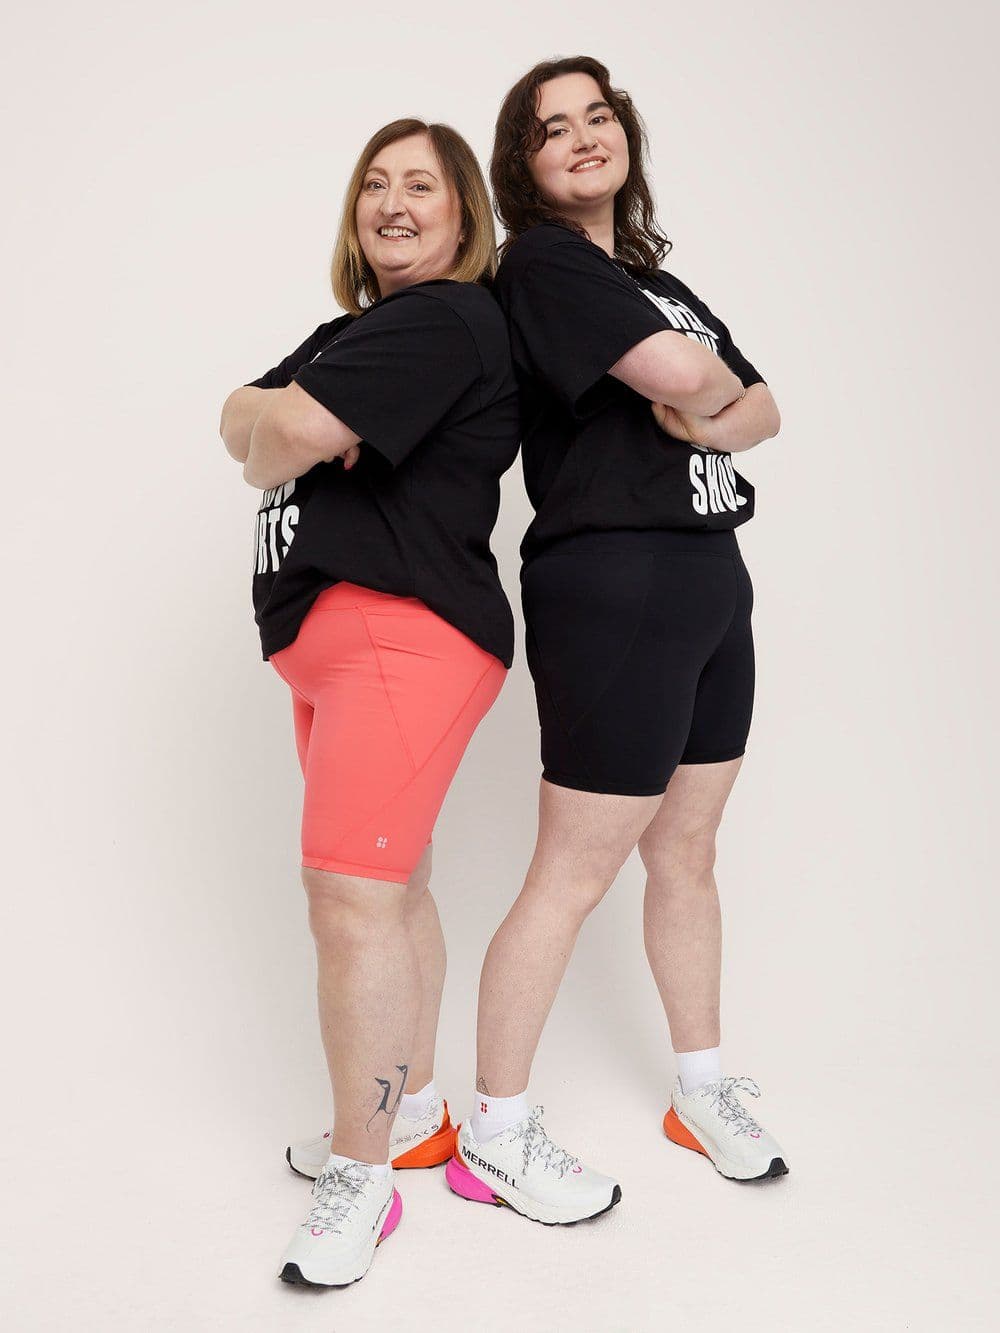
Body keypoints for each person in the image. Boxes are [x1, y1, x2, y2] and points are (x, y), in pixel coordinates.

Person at [445, 57, 786, 1226]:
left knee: (686, 852)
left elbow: (762, 407)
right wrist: (702, 395)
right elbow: (695, 380)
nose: (583, 137)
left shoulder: (648, 275)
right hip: (613, 579)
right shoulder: (541, 264)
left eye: (598, 116)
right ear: (524, 165)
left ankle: (700, 1089)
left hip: (708, 574)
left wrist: (701, 398)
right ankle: (493, 1129)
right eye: (553, 128)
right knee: (573, 867)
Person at [219, 118, 519, 1285]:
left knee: (349, 901)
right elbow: (241, 415)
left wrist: (281, 421)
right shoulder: (362, 330)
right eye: (375, 185)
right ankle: (418, 1115)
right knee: (390, 895)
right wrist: (275, 421)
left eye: (423, 188)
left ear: (461, 215)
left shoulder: (441, 318)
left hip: (404, 636)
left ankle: (359, 1178)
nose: (394, 204)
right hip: (332, 645)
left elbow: (276, 425)